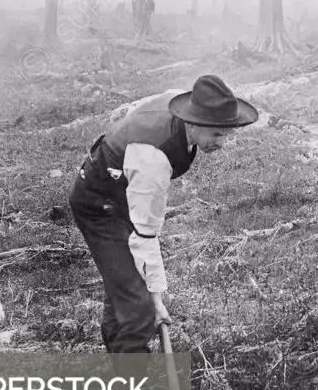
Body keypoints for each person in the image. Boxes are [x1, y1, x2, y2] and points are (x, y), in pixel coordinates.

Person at [69, 75, 259, 355]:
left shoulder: (185, 102)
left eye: (227, 133)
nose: (223, 143)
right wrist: (156, 300)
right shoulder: (152, 159)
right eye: (217, 134)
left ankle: (121, 358)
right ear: (193, 122)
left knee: (124, 284)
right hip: (99, 205)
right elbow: (146, 235)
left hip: (125, 192)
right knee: (139, 308)